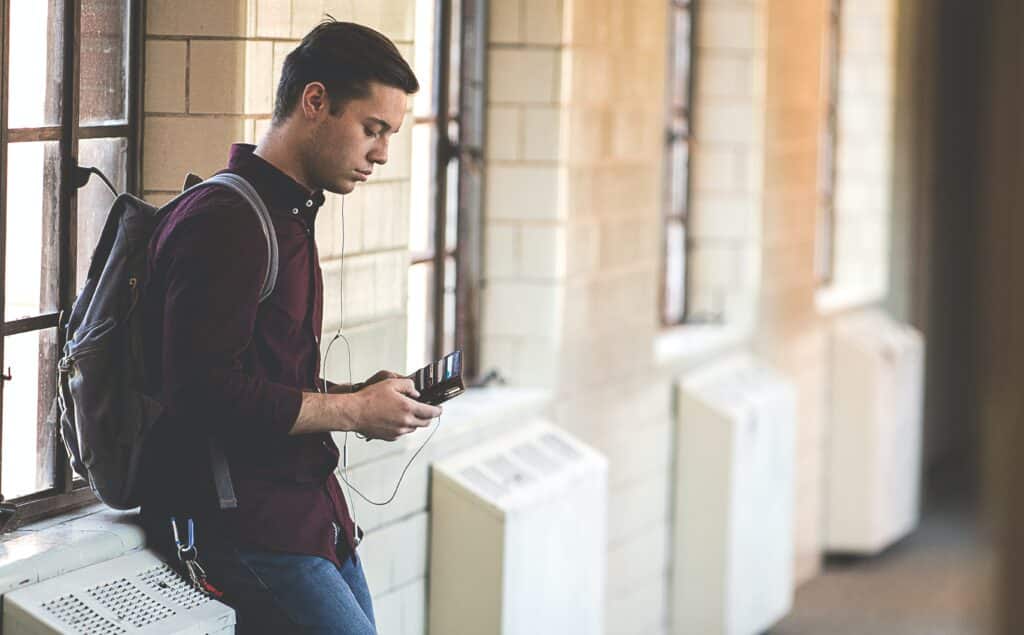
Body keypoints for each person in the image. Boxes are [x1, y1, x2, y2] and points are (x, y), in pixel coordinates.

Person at [138, 20, 440, 634]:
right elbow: (199, 390)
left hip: (306, 517)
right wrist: (354, 413)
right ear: (316, 102)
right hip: (247, 528)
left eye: (389, 134)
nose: (382, 153)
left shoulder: (286, 215)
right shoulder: (230, 221)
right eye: (372, 129)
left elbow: (264, 380)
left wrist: (358, 397)